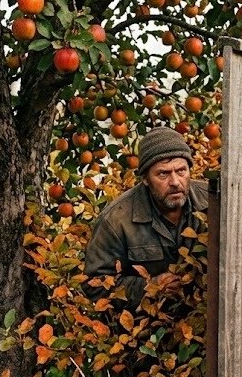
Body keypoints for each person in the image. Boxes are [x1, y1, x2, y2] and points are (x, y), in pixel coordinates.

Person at [84, 126, 208, 312]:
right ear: (145, 179)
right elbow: (94, 284)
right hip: (145, 322)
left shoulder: (215, 202)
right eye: (163, 173)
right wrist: (149, 287)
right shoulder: (116, 219)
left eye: (181, 171)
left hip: (206, 318)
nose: (175, 182)